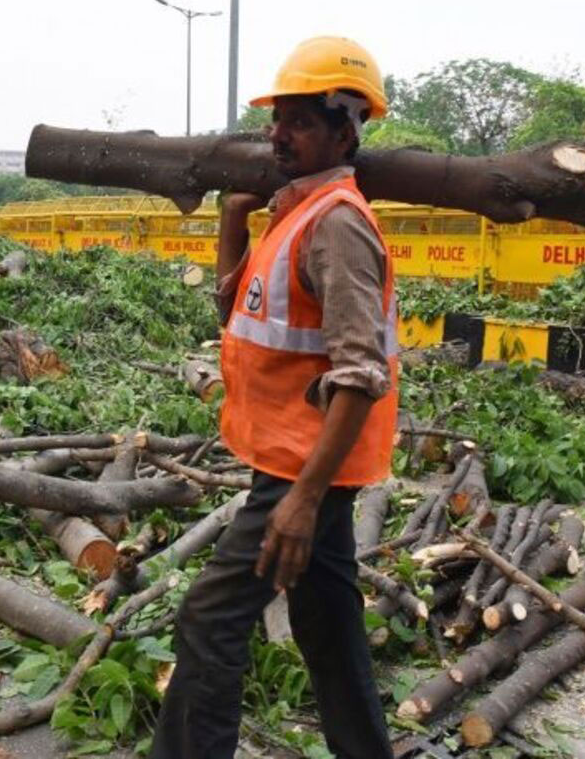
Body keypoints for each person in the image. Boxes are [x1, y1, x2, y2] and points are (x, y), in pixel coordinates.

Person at [150, 37, 398, 759]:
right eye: (276, 118)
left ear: (345, 129)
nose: (277, 134)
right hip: (292, 461)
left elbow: (361, 372)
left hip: (303, 468)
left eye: (298, 121)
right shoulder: (295, 214)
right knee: (327, 625)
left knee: (209, 618)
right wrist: (234, 219)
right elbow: (237, 314)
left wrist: (304, 497)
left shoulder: (338, 224)